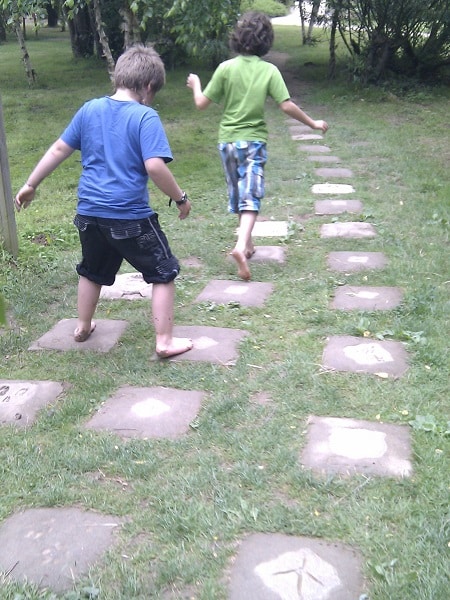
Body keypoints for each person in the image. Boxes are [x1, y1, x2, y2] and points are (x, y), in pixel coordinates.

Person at [15, 45, 193, 359]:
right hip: (129, 217)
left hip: (89, 214)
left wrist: (31, 184)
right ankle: (164, 341)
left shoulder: (89, 109)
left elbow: (58, 149)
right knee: (163, 271)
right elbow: (154, 166)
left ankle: (83, 326)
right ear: (149, 87)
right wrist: (179, 198)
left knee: (92, 270)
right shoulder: (145, 116)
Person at [187, 11, 328, 281]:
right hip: (254, 142)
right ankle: (241, 246)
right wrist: (312, 123)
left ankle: (248, 244)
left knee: (240, 193)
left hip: (227, 142)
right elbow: (286, 105)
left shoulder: (226, 68)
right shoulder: (269, 70)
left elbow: (201, 103)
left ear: (237, 38)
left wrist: (196, 85)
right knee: (251, 194)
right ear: (267, 42)